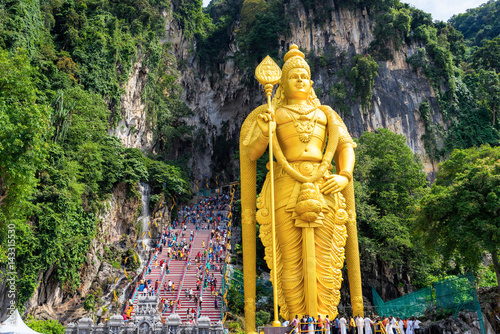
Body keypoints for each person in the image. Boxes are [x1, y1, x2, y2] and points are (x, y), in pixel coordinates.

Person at [240, 43, 363, 320]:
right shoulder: (275, 114)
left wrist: (343, 175)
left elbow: (346, 147)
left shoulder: (326, 114)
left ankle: (324, 319)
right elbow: (251, 153)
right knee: (290, 259)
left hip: (324, 185)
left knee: (325, 257)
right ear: (282, 82)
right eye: (293, 76)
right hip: (285, 185)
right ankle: (296, 322)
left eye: (303, 76)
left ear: (311, 82)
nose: (299, 80)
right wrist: (264, 131)